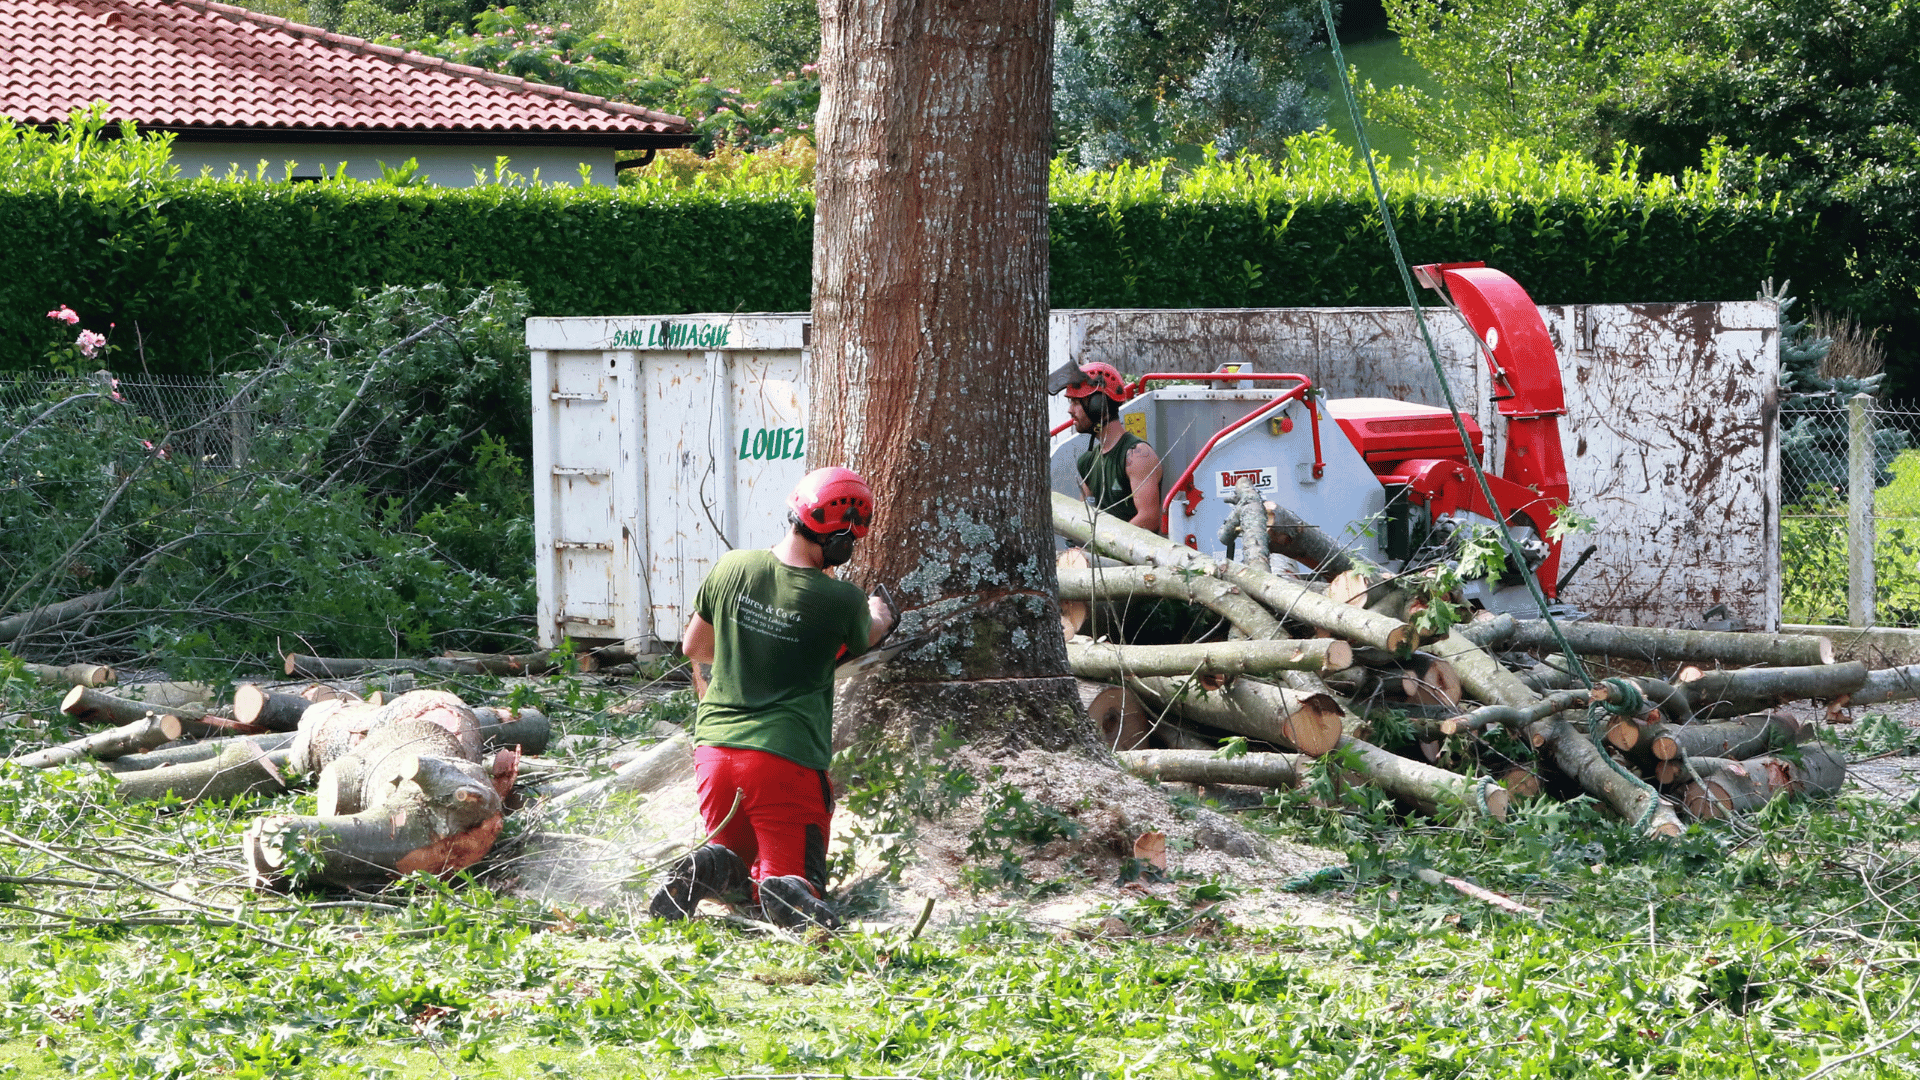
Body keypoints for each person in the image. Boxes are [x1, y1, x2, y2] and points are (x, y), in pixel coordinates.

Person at [649, 466, 895, 930]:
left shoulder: (731, 566)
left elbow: (694, 647)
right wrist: (878, 612)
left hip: (714, 756)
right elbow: (871, 634)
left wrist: (754, 654)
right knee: (797, 890)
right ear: (841, 536)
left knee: (739, 873)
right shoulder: (841, 600)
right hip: (785, 761)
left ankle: (714, 868)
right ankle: (784, 884)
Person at [1062, 362, 1164, 533]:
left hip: (1132, 558)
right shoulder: (1088, 462)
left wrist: (1106, 543)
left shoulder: (1137, 455)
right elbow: (1082, 513)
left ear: (1098, 404)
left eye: (1076, 402)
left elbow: (1149, 518)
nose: (1070, 411)